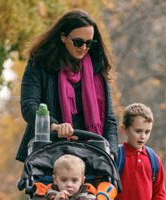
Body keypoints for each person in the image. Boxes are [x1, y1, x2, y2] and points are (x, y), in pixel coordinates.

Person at [16, 10, 117, 163]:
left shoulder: (97, 68)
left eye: (89, 43)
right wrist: (54, 125)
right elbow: (28, 106)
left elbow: (109, 119)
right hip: (49, 154)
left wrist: (111, 153)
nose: (83, 47)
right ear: (63, 37)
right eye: (78, 42)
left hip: (91, 155)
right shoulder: (40, 64)